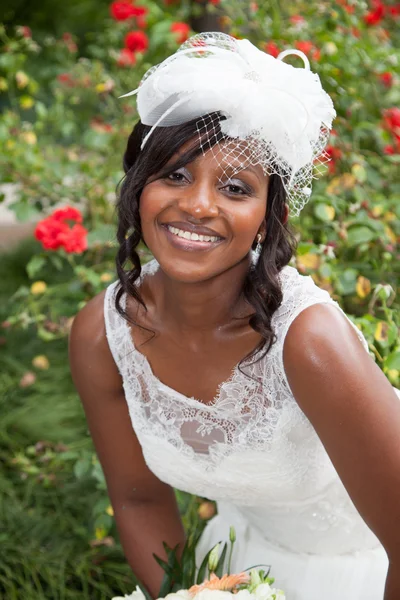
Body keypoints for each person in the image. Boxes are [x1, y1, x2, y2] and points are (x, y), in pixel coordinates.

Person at [69, 33, 400, 600]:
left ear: (267, 218)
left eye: (234, 187)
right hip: (242, 569)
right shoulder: (103, 334)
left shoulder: (310, 342)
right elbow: (138, 499)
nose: (198, 205)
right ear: (137, 188)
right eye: (174, 175)